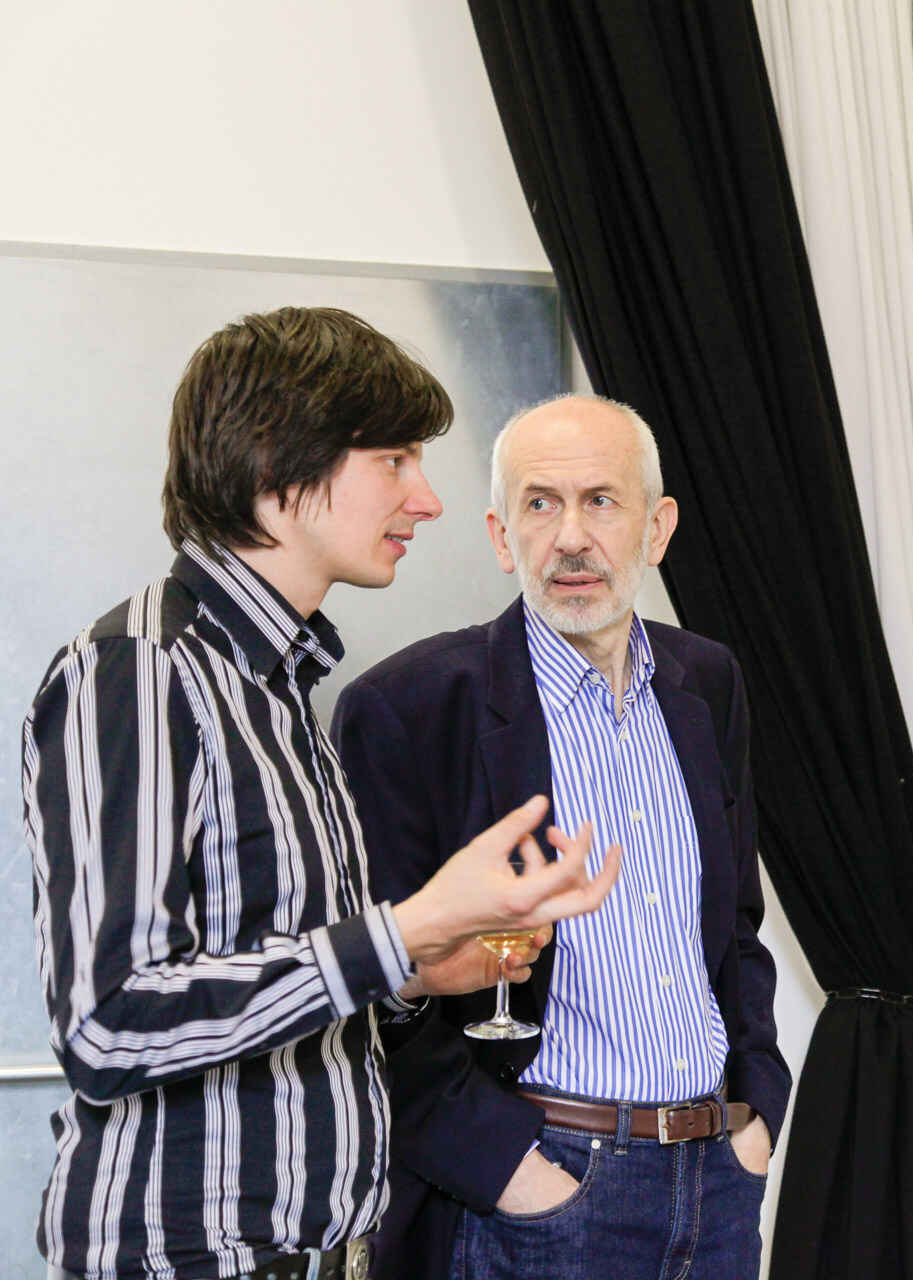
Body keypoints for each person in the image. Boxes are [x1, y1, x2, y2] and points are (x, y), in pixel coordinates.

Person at [23, 308, 623, 1280]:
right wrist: (412, 923)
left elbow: (267, 980)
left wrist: (417, 969)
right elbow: (110, 1023)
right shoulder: (140, 669)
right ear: (276, 467)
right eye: (393, 460)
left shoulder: (279, 692)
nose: (427, 499)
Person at [332, 394, 789, 1280]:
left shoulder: (709, 682)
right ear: (502, 537)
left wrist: (757, 1115)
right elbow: (374, 985)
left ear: (657, 528)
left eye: (601, 501)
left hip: (717, 1186)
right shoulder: (410, 707)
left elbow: (735, 926)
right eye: (540, 504)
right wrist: (514, 1176)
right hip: (535, 1192)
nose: (571, 538)